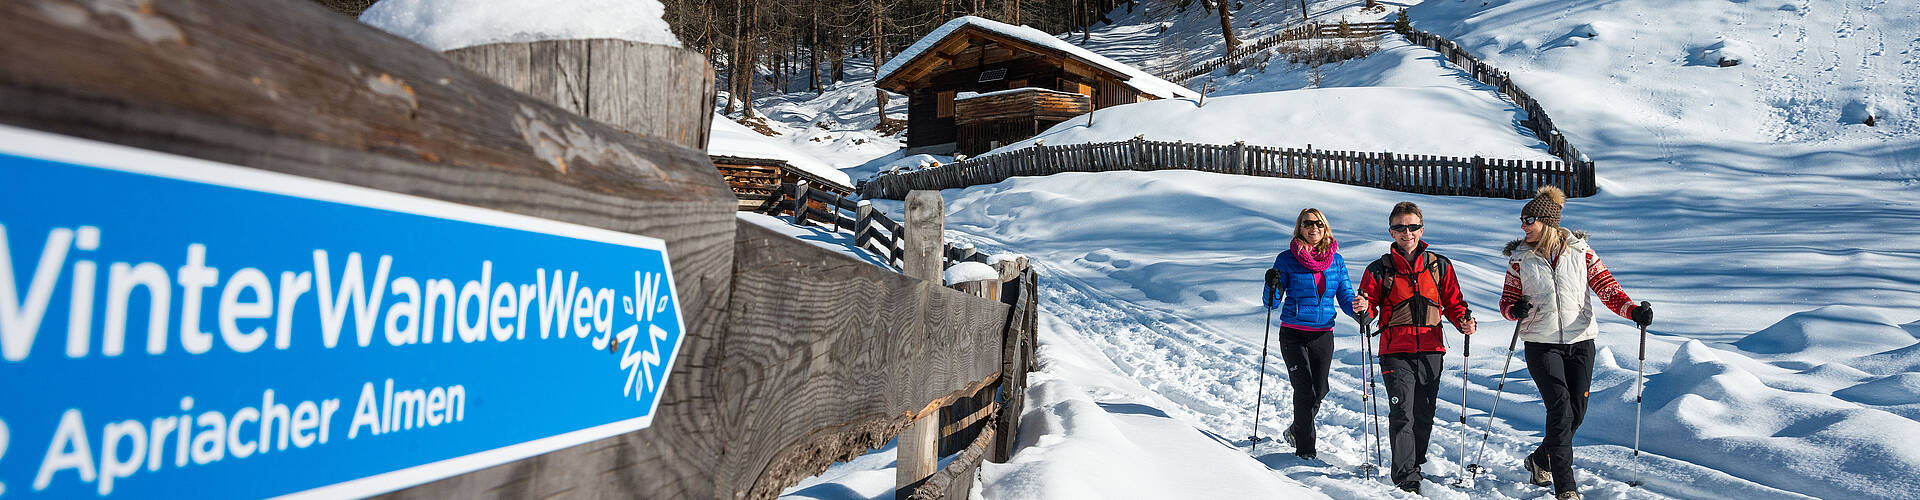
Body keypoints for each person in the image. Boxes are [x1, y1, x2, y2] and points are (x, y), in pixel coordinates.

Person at [1499, 186, 1652, 500]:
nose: (1523, 225)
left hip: (1581, 340)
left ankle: (1540, 459)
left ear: (1548, 222)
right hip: (1541, 343)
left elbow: (1608, 289)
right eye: (1522, 220)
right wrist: (1515, 310)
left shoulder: (1581, 252)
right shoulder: (1520, 259)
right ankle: (1565, 487)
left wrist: (1633, 311)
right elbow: (1507, 301)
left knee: (1577, 412)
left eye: (1529, 219)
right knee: (1560, 410)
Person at [1357, 201, 1476, 494]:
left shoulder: (1439, 265)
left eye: (1411, 227)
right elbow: (1368, 307)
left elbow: (1453, 302)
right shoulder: (1379, 269)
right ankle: (1405, 475)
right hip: (1395, 351)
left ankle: (1415, 461)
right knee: (1402, 413)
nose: (1406, 232)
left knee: (1423, 413)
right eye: (1399, 227)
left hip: (1432, 349)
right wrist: (1363, 309)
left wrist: (1463, 321)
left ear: (1421, 229)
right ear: (1391, 231)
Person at [1263, 208, 1370, 460]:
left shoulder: (1336, 260)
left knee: (1320, 390)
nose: (1314, 228)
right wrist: (1272, 284)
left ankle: (1296, 430)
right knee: (1304, 390)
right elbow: (1272, 303)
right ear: (1299, 228)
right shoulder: (1287, 259)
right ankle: (1306, 450)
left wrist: (1357, 310)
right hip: (1293, 333)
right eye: (1307, 223)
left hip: (1323, 334)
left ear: (1325, 228)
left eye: (1319, 224)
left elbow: (1344, 295)